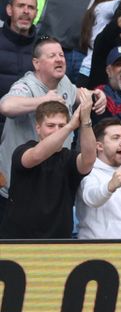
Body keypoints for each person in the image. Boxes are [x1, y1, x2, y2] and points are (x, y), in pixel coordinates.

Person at [0, 37, 106, 217]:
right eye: (52, 56)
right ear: (36, 63)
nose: (59, 59)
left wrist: (96, 95)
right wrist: (42, 101)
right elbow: (6, 106)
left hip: (51, 187)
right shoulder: (26, 86)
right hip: (16, 189)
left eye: (61, 55)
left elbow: (76, 93)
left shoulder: (63, 81)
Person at [0, 94, 95, 238]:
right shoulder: (23, 150)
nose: (57, 130)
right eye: (50, 125)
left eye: (61, 125)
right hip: (18, 241)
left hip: (58, 243)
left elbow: (88, 160)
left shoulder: (69, 157)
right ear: (38, 128)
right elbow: (37, 156)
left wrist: (86, 120)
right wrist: (69, 126)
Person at [0, 0, 36, 138]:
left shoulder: (44, 46)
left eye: (31, 7)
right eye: (20, 6)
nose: (26, 11)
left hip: (30, 129)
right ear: (9, 10)